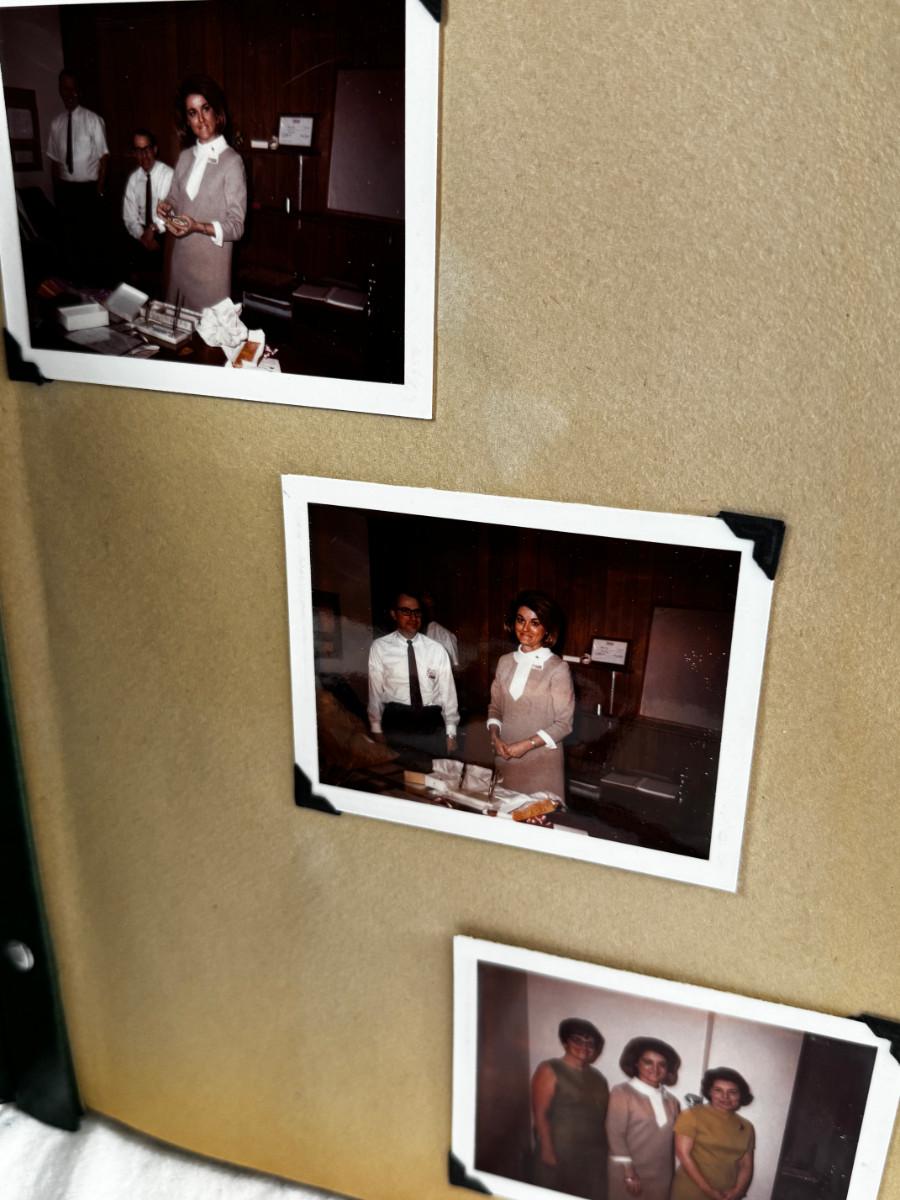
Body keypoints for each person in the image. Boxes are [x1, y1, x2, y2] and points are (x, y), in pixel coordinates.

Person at [157, 75, 246, 312]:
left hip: (211, 274)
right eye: (192, 113)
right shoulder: (185, 157)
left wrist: (198, 227)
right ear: (187, 120)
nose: (201, 119)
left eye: (205, 109)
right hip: (180, 267)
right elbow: (175, 199)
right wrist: (166, 206)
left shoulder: (232, 162)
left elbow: (237, 226)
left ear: (217, 112)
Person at [487, 589, 574, 800]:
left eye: (535, 623)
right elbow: (495, 707)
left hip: (540, 765)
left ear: (547, 629)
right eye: (521, 620)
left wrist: (526, 745)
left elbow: (564, 724)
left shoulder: (558, 668)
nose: (525, 628)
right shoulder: (504, 661)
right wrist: (494, 736)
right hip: (505, 759)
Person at [367, 590, 458, 765]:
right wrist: (376, 728)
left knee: (434, 775)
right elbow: (375, 692)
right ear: (394, 614)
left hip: (431, 723)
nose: (413, 617)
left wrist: (451, 733)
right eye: (406, 611)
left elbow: (448, 695)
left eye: (417, 612)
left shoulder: (436, 649)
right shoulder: (379, 648)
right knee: (400, 775)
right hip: (397, 721)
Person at [531, 1017, 609, 1200]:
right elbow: (540, 1114)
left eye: (590, 1043)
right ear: (565, 1042)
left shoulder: (599, 1078)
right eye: (577, 1040)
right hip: (560, 1150)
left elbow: (602, 1118)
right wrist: (547, 1151)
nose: (584, 1046)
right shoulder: (549, 1069)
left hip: (592, 1155)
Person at [46, 69, 109, 283]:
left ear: (79, 91)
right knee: (70, 244)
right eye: (65, 89)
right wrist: (57, 193)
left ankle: (94, 287)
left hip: (89, 191)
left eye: (73, 89)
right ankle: (75, 288)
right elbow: (54, 161)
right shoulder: (56, 124)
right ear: (60, 90)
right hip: (66, 192)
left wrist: (99, 191)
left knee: (91, 244)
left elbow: (104, 158)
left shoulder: (93, 120)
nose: (69, 93)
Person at [606, 1038, 681, 1200]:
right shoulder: (622, 1092)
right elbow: (615, 1135)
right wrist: (629, 1173)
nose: (655, 1069)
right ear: (636, 1063)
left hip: (661, 1175)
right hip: (629, 1173)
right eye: (648, 1062)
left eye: (661, 1064)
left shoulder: (672, 1101)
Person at [671, 1068, 755, 1200]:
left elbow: (746, 1164)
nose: (725, 1097)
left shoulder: (747, 1126)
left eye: (732, 1092)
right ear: (709, 1091)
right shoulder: (691, 1115)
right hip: (691, 1190)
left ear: (740, 1095)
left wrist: (738, 1191)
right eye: (718, 1090)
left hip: (727, 1194)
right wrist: (709, 1191)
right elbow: (683, 1155)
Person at [122, 128, 173, 293]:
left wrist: (153, 230)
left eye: (147, 149)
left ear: (155, 150)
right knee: (133, 281)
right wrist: (142, 236)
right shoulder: (133, 179)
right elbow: (129, 217)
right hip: (142, 234)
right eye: (138, 151)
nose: (143, 155)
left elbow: (169, 212)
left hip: (164, 230)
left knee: (161, 284)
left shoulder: (167, 174)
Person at [422, 590, 459, 667]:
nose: (425, 611)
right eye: (423, 606)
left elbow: (453, 667)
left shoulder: (445, 636)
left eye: (430, 607)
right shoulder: (408, 635)